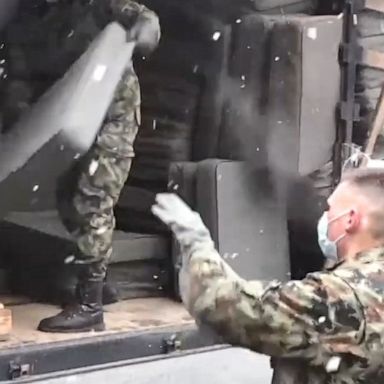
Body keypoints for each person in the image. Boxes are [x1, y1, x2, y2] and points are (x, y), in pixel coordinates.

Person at [151, 167, 384, 383]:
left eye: (329, 209)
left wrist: (196, 242)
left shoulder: (341, 296)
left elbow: (222, 305)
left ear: (351, 219)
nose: (324, 217)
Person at [35, 0, 161, 333]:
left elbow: (146, 21)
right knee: (66, 197)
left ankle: (90, 305)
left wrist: (138, 35)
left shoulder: (101, 4)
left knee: (93, 200)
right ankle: (98, 284)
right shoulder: (44, 15)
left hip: (112, 117)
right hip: (74, 117)